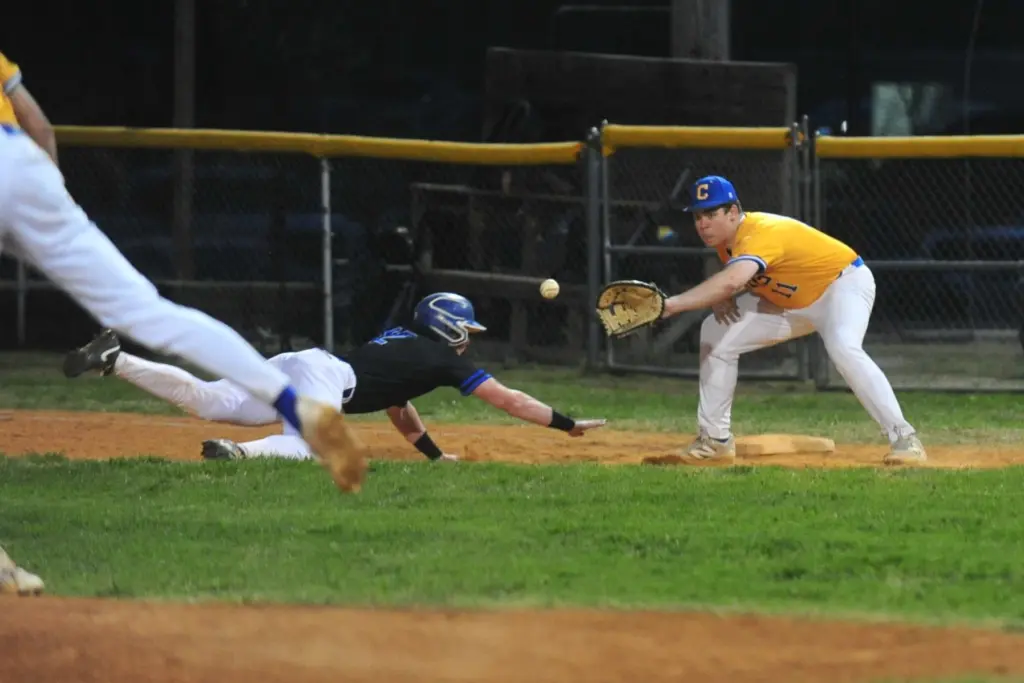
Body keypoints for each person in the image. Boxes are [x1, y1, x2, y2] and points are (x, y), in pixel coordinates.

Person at [0, 50, 365, 591]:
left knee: (204, 390)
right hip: (22, 164)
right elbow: (39, 125)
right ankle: (295, 407)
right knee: (150, 312)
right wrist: (47, 201)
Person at [64, 292, 607, 462]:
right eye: (464, 330)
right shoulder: (443, 359)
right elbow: (508, 400)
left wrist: (434, 456)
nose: (468, 340)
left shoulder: (403, 341)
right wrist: (566, 424)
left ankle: (117, 359)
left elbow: (398, 405)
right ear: (446, 327)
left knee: (208, 400)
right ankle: (239, 454)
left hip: (303, 365)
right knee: (317, 445)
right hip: (322, 375)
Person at [657, 175, 925, 466]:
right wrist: (723, 294)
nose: (703, 224)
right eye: (698, 216)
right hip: (790, 302)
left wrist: (672, 305)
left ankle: (905, 438)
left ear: (733, 212)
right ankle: (714, 441)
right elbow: (739, 277)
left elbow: (733, 279)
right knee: (714, 331)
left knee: (844, 347)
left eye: (711, 214)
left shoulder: (762, 231)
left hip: (840, 287)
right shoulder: (726, 241)